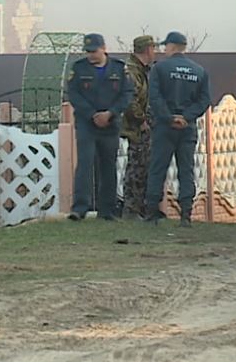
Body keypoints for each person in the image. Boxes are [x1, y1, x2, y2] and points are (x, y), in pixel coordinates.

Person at [66, 33, 135, 221]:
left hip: (111, 124)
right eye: (88, 51)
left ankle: (107, 210)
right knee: (85, 164)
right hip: (87, 124)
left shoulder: (119, 69)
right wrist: (92, 115)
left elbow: (127, 94)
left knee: (108, 166)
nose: (91, 55)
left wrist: (111, 113)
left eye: (94, 51)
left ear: (104, 48)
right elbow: (73, 94)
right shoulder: (79, 68)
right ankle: (80, 208)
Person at [145, 31, 211, 227]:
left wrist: (169, 117)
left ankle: (151, 214)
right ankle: (186, 216)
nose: (164, 50)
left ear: (172, 46)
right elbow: (204, 100)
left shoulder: (160, 69)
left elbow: (155, 98)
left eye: (166, 46)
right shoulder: (199, 71)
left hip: (164, 127)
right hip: (187, 128)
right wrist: (186, 117)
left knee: (158, 168)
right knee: (186, 170)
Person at [121, 35, 157, 219]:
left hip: (145, 126)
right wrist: (141, 120)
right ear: (147, 49)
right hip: (137, 128)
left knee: (144, 167)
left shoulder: (144, 71)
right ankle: (132, 209)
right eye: (153, 48)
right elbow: (130, 99)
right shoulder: (131, 71)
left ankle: (142, 208)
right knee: (136, 169)